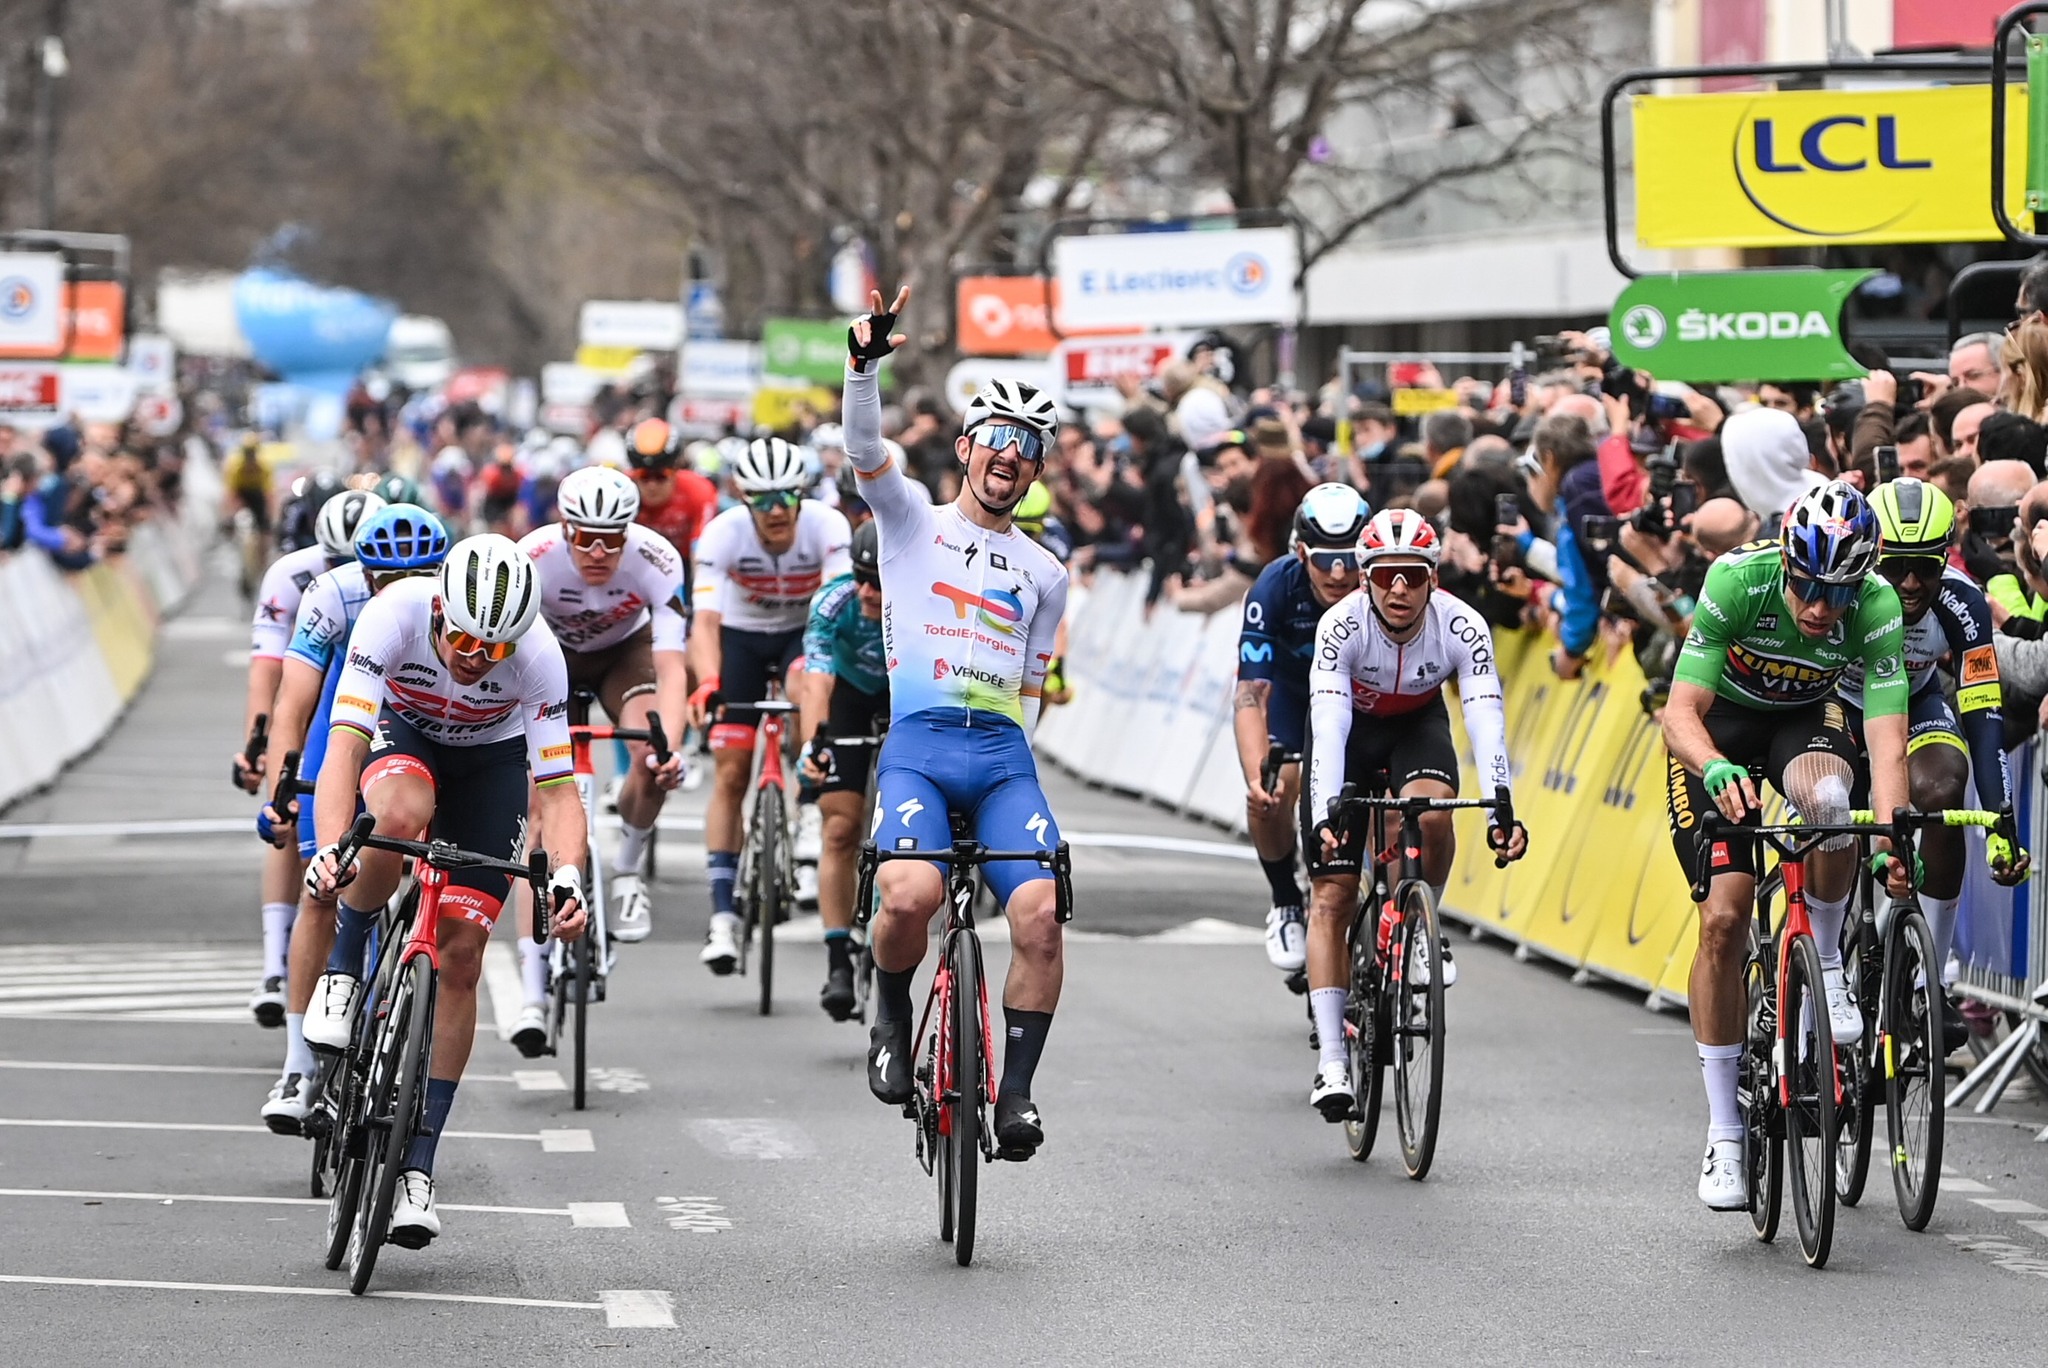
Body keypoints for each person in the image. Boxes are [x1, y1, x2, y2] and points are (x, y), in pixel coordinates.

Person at [302, 536, 590, 1247]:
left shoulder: (540, 656)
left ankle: (417, 1169)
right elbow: (344, 748)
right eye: (462, 638)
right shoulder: (392, 614)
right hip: (403, 733)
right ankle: (346, 961)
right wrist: (334, 850)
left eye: (493, 649)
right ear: (439, 609)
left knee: (462, 959)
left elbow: (558, 791)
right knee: (400, 816)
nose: (474, 657)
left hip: (491, 762)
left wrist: (568, 877)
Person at [844, 284, 1071, 1159]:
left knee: (1041, 915)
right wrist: (863, 368)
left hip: (1003, 758)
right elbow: (866, 449)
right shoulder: (910, 522)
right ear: (968, 447)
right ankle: (889, 1015)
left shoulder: (1045, 573)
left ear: (1037, 469)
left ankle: (1015, 1095)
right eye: (999, 436)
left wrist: (1017, 769)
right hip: (920, 747)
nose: (1011, 453)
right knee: (911, 896)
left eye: (1030, 444)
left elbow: (1034, 685)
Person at [1661, 481, 1914, 1211]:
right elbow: (1679, 713)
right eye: (1807, 585)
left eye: (1838, 592)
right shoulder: (1736, 581)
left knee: (1832, 801)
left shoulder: (1877, 606)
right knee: (1724, 919)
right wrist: (1714, 767)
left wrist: (1892, 834)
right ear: (1785, 562)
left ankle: (1827, 961)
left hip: (1804, 721)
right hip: (1719, 733)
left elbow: (1886, 738)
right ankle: (1725, 1132)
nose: (1819, 607)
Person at [1299, 508, 1527, 1120]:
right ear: (1365, 579)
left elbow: (1484, 719)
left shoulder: (1462, 624)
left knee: (1430, 815)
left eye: (1413, 575)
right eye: (1385, 575)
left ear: (1433, 578)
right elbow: (1330, 726)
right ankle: (1332, 1063)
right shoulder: (1341, 625)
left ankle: (1419, 923)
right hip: (1351, 734)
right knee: (1332, 896)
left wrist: (1502, 805)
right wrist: (1324, 812)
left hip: (1416, 727)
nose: (1398, 588)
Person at [251, 503, 450, 1132]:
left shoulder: (459, 600)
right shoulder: (331, 595)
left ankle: (395, 1013)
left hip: (425, 732)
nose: (404, 591)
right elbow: (295, 702)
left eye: (420, 576)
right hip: (347, 723)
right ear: (364, 576)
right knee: (323, 883)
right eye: (388, 580)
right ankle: (298, 1065)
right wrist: (282, 788)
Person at [1845, 481, 2029, 1047]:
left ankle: (1929, 983)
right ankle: (1824, 966)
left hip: (1914, 701)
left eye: (1925, 566)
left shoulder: (1961, 601)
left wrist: (2001, 822)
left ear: (1945, 558)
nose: (1910, 582)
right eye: (1895, 566)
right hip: (1838, 705)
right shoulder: (1844, 590)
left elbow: (1983, 713)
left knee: (1946, 786)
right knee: (1833, 811)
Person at [513, 468, 687, 1045]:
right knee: (539, 814)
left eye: (611, 539)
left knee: (650, 752)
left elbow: (672, 668)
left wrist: (670, 747)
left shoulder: (657, 559)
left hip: (624, 654)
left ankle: (628, 869)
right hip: (548, 656)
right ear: (564, 528)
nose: (597, 551)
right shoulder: (533, 557)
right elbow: (509, 655)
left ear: (628, 533)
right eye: (584, 537)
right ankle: (532, 991)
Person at [685, 436, 852, 973]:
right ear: (742, 496)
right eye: (762, 499)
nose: (777, 510)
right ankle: (722, 916)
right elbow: (705, 622)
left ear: (805, 493)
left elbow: (836, 610)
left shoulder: (828, 526)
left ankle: (808, 805)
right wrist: (708, 683)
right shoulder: (723, 533)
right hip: (740, 637)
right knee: (731, 772)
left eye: (787, 497)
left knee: (809, 692)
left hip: (805, 632)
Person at [235, 487, 385, 1027]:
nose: (345, 574)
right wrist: (257, 749)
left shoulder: (401, 586)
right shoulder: (295, 578)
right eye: (334, 561)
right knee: (293, 815)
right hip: (321, 689)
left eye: (355, 563)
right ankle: (277, 967)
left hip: (386, 696)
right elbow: (272, 679)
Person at [1232, 483, 1370, 984]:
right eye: (1325, 561)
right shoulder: (1274, 587)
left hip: (1364, 703)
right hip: (1296, 702)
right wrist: (1258, 776)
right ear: (1301, 553)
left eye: (1350, 560)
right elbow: (1250, 694)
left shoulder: (1383, 587)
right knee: (1275, 789)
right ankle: (1286, 899)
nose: (1339, 574)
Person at [798, 519, 889, 1020]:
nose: (867, 591)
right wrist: (813, 746)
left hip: (903, 695)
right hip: (850, 694)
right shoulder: (834, 601)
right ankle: (837, 960)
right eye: (860, 578)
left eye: (878, 581)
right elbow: (817, 681)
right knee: (839, 829)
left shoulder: (929, 597)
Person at [626, 417, 721, 564]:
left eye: (661, 476)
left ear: (676, 471)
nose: (652, 485)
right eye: (643, 476)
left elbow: (701, 553)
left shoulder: (698, 490)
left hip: (685, 561)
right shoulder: (621, 490)